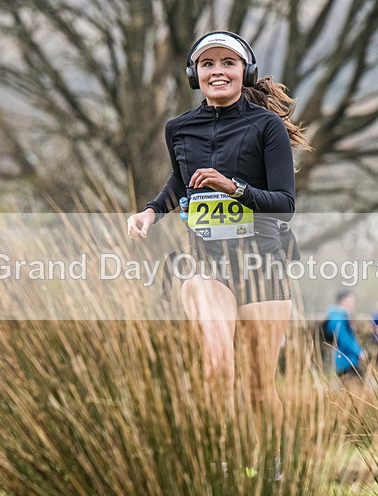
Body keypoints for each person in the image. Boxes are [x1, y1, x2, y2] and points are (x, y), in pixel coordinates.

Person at [126, 31, 311, 442]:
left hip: (262, 264)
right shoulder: (179, 128)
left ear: (245, 71)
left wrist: (235, 189)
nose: (218, 71)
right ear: (196, 74)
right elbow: (181, 180)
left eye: (228, 62)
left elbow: (284, 203)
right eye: (208, 64)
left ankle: (271, 475)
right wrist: (152, 211)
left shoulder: (267, 127)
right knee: (217, 364)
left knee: (260, 391)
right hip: (205, 264)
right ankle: (220, 466)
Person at [325, 290, 368, 384]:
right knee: (358, 389)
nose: (353, 303)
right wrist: (359, 352)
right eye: (350, 300)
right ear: (343, 301)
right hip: (345, 361)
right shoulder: (337, 318)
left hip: (349, 360)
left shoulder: (341, 316)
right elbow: (344, 340)